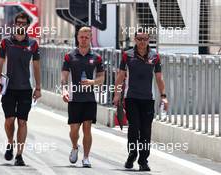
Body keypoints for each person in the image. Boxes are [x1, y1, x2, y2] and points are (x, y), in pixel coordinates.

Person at [113, 30, 169, 171]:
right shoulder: (127, 55)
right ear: (135, 40)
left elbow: (159, 77)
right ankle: (132, 154)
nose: (142, 42)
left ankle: (143, 160)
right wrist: (117, 94)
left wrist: (163, 96)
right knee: (134, 127)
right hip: (131, 97)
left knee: (145, 130)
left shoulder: (154, 56)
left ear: (148, 39)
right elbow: (120, 76)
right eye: (139, 39)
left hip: (148, 99)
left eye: (145, 39)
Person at [0, 12, 41, 166]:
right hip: (9, 89)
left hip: (25, 89)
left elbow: (36, 66)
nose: (20, 25)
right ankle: (10, 142)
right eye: (18, 22)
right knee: (9, 120)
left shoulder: (33, 43)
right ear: (15, 24)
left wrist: (38, 87)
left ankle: (19, 155)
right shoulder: (6, 42)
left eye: (23, 23)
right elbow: (0, 62)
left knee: (22, 122)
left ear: (27, 25)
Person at [61, 27, 105, 168]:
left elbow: (101, 78)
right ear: (77, 37)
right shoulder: (70, 56)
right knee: (74, 130)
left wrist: (92, 82)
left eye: (87, 37)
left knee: (87, 128)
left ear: (90, 38)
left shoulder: (96, 57)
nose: (84, 39)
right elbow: (64, 76)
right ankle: (75, 147)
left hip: (89, 99)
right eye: (81, 37)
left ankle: (86, 158)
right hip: (74, 98)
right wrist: (64, 90)